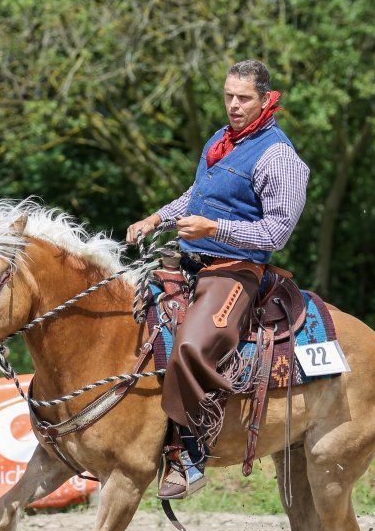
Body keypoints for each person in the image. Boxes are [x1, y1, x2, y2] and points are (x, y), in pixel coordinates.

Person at [125, 59, 310, 499]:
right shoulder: (220, 140)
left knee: (191, 343)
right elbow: (199, 195)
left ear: (266, 100)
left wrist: (213, 230)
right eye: (228, 96)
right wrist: (158, 217)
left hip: (237, 271)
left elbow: (276, 233)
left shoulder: (279, 157)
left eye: (243, 98)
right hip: (191, 259)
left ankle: (189, 455)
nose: (233, 105)